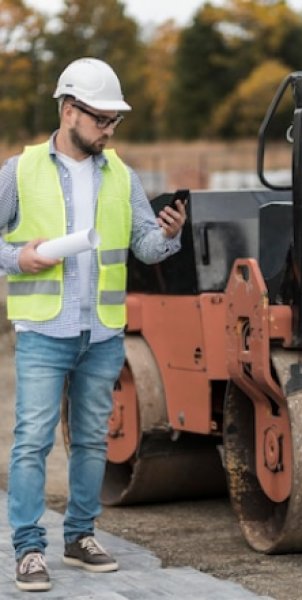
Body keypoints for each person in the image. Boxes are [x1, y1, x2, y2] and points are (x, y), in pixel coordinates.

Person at [0, 57, 187, 592]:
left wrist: (170, 233)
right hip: (42, 331)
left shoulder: (122, 176)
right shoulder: (21, 170)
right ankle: (29, 550)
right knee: (32, 441)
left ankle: (80, 536)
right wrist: (20, 258)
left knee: (90, 441)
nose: (108, 129)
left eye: (114, 121)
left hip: (102, 332)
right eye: (100, 119)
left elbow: (145, 246)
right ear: (68, 109)